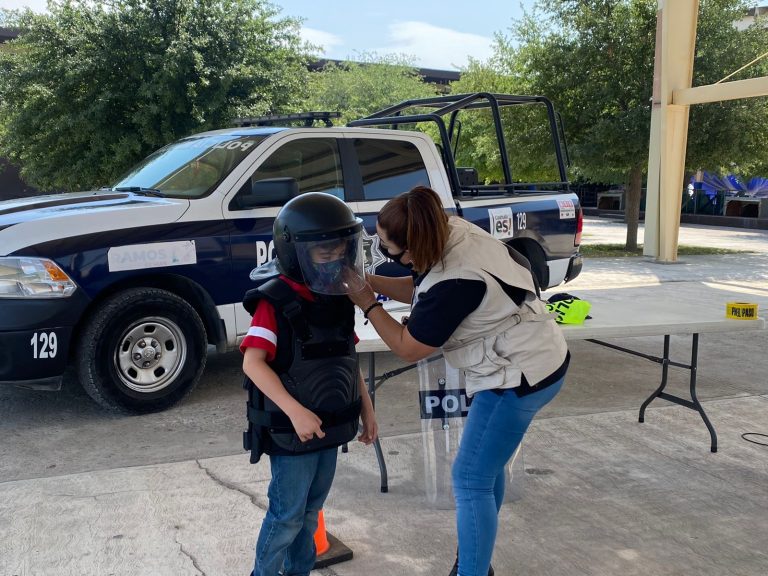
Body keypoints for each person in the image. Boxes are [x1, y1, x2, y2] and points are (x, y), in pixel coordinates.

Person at [348, 186, 569, 576]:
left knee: (469, 478)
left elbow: (409, 346)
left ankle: (472, 569)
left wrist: (367, 304)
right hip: (542, 359)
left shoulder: (454, 280)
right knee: (486, 469)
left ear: (415, 249)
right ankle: (476, 558)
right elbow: (419, 286)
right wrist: (372, 282)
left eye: (389, 250)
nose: (385, 256)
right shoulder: (447, 231)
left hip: (517, 377)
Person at [241, 192, 378, 576]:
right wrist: (296, 412)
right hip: (293, 434)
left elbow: (346, 361)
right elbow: (253, 363)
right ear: (295, 253)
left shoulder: (337, 298)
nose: (335, 262)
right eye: (324, 254)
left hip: (331, 428)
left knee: (310, 512)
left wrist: (367, 410)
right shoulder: (275, 302)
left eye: (340, 252)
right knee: (286, 517)